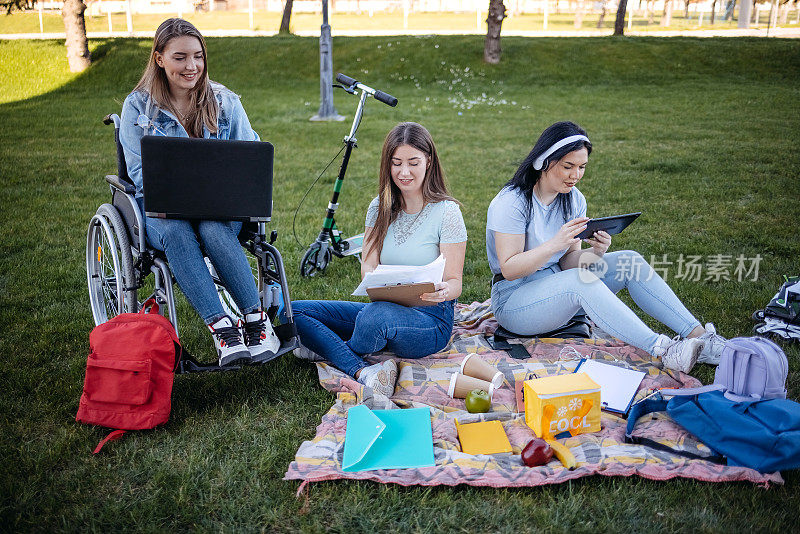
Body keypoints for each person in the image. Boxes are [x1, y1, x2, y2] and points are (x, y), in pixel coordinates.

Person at [486, 121, 727, 373]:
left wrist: (596, 252)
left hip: (558, 284)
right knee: (578, 281)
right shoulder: (512, 202)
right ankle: (663, 350)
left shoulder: (574, 199)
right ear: (543, 162)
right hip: (514, 300)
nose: (575, 175)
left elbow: (568, 262)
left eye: (582, 167)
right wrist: (553, 244)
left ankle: (700, 338)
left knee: (629, 261)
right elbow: (510, 268)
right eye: (568, 167)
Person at [119, 18, 279, 366]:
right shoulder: (138, 107)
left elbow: (250, 156)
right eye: (180, 57)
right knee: (178, 231)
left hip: (218, 209)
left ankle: (256, 319)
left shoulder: (224, 101)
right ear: (159, 58)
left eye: (198, 56)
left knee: (211, 226)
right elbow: (138, 174)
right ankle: (222, 328)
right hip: (163, 212)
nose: (191, 66)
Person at [289, 122, 468, 396]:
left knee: (373, 319)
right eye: (396, 163)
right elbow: (369, 264)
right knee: (293, 309)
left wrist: (444, 291)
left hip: (430, 320)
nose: (404, 172)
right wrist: (373, 279)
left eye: (413, 162)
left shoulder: (447, 212)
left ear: (429, 161)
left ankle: (327, 348)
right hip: (384, 307)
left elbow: (455, 282)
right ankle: (361, 369)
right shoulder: (379, 207)